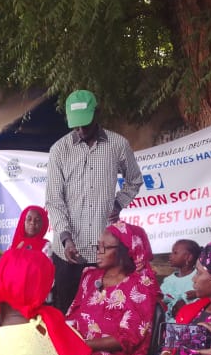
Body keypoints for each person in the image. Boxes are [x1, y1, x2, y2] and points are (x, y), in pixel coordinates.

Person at [44, 89, 143, 313]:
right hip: (69, 252)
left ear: (97, 113)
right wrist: (66, 238)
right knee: (68, 313)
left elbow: (134, 180)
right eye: (75, 126)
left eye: (85, 125)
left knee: (104, 311)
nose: (80, 131)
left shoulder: (118, 145)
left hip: (105, 250)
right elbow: (54, 199)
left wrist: (118, 204)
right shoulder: (59, 150)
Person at [66, 220, 159, 355]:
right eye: (98, 246)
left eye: (106, 248)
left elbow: (129, 337)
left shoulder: (140, 287)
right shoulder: (90, 277)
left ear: (125, 251)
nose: (99, 252)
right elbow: (73, 316)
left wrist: (83, 345)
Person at [160, 238, 200, 322]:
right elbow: (161, 299)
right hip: (170, 325)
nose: (170, 256)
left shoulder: (199, 276)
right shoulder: (168, 280)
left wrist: (196, 294)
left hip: (192, 323)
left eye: (175, 253)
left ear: (188, 257)